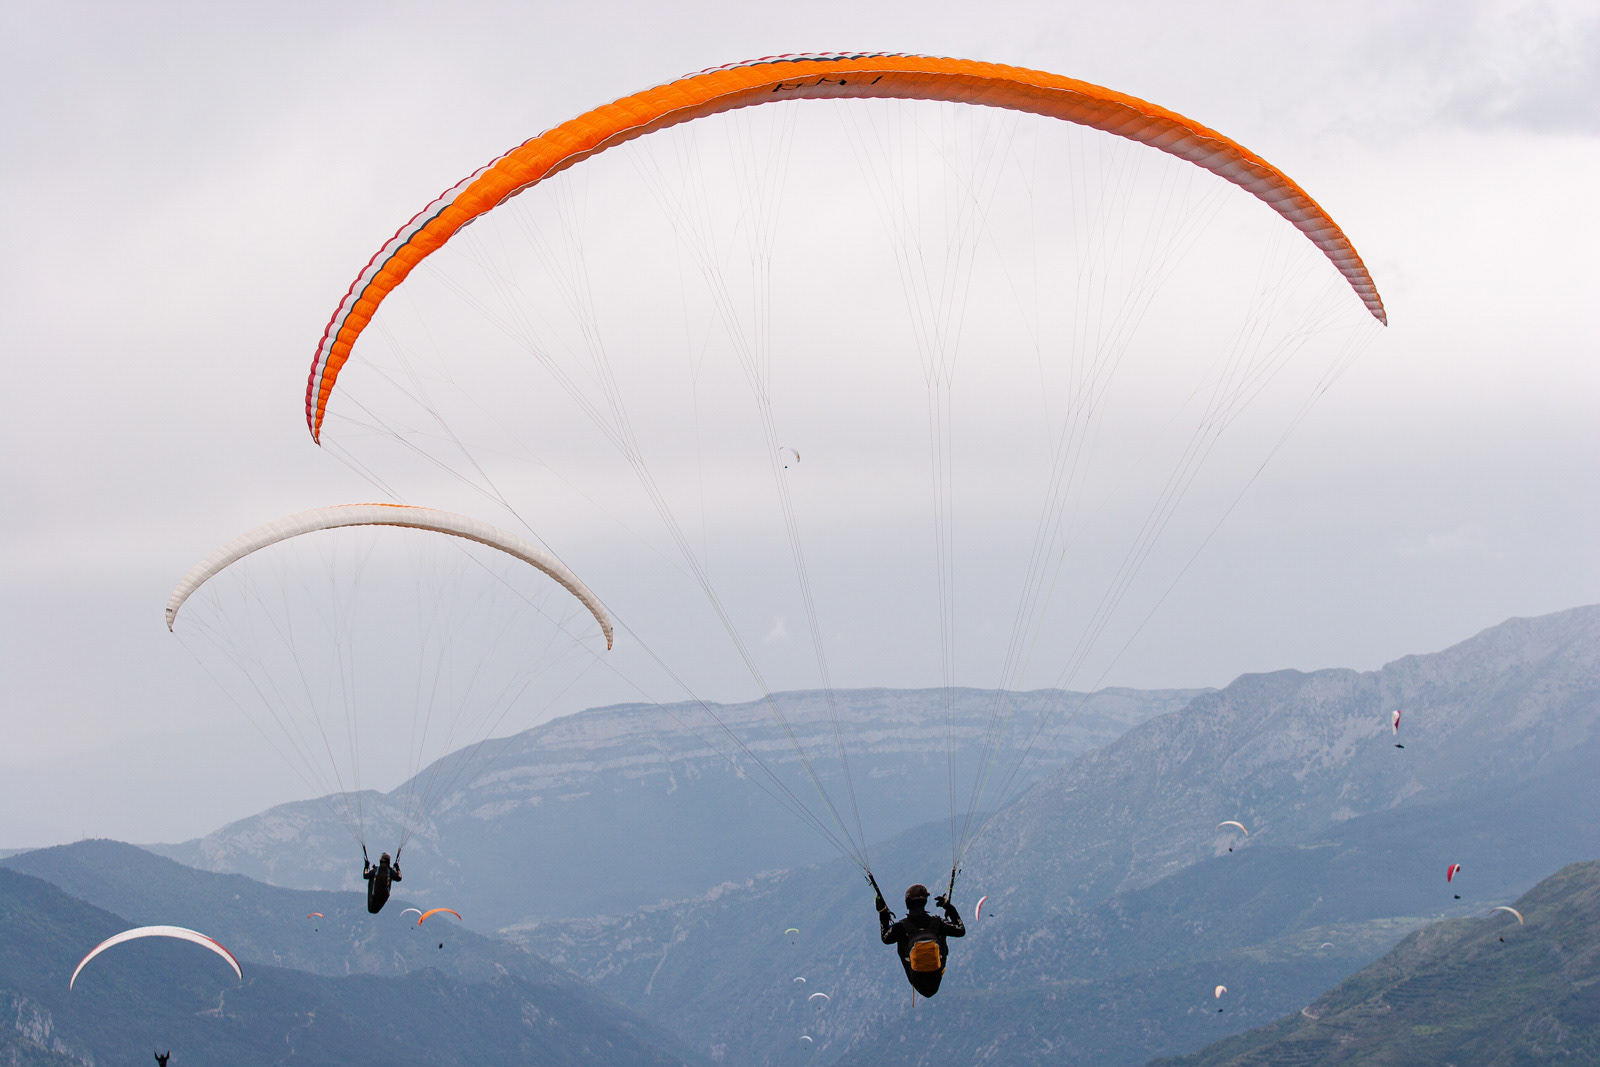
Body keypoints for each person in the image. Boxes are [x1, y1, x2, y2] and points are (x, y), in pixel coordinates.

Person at [877, 883, 964, 997]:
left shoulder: (901, 927)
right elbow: (960, 930)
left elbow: (885, 938)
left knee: (903, 941)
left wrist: (883, 913)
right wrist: (948, 906)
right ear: (925, 902)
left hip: (916, 979)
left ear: (907, 902)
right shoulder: (938, 923)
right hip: (935, 978)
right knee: (941, 936)